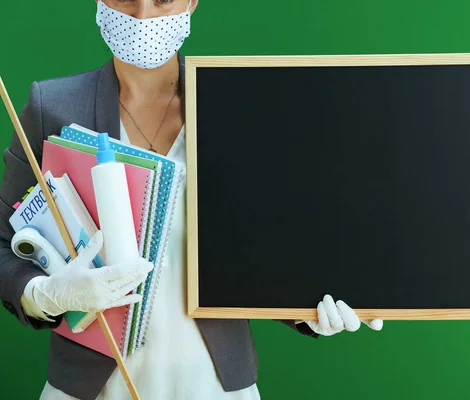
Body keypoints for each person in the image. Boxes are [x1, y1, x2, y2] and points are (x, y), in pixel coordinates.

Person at [0, 1, 383, 399]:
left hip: (216, 385)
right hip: (88, 389)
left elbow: (275, 245)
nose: (143, 15)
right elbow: (2, 244)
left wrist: (311, 310)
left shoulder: (241, 106)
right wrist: (43, 294)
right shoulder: (51, 108)